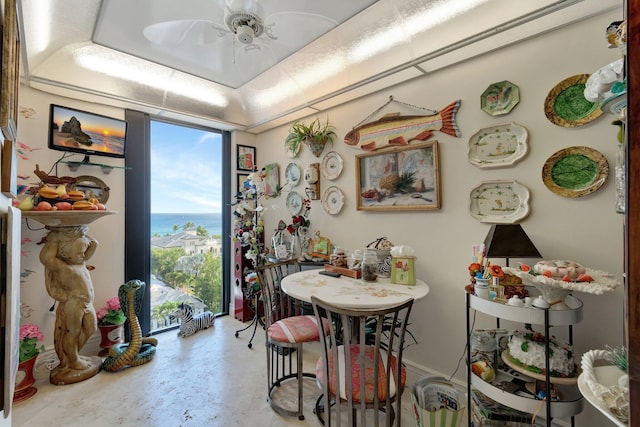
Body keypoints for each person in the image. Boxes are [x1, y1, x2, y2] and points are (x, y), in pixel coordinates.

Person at [40, 225, 99, 378]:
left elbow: (94, 245)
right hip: (74, 303)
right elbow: (46, 258)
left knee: (91, 328)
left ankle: (72, 357)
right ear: (66, 253)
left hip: (87, 302)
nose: (83, 255)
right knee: (71, 333)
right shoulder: (63, 267)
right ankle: (73, 361)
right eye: (79, 252)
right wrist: (55, 238)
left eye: (83, 252)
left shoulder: (80, 262)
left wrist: (80, 232)